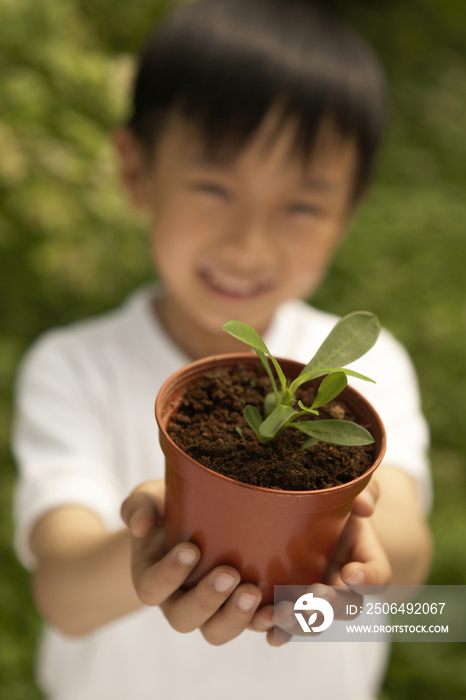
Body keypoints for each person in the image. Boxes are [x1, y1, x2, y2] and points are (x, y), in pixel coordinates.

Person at [12, 1, 433, 698]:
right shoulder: (74, 367)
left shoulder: (376, 361)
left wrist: (348, 558)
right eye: (214, 187)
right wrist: (166, 535)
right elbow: (60, 590)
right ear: (136, 169)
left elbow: (409, 558)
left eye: (300, 205)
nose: (249, 244)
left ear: (349, 210)